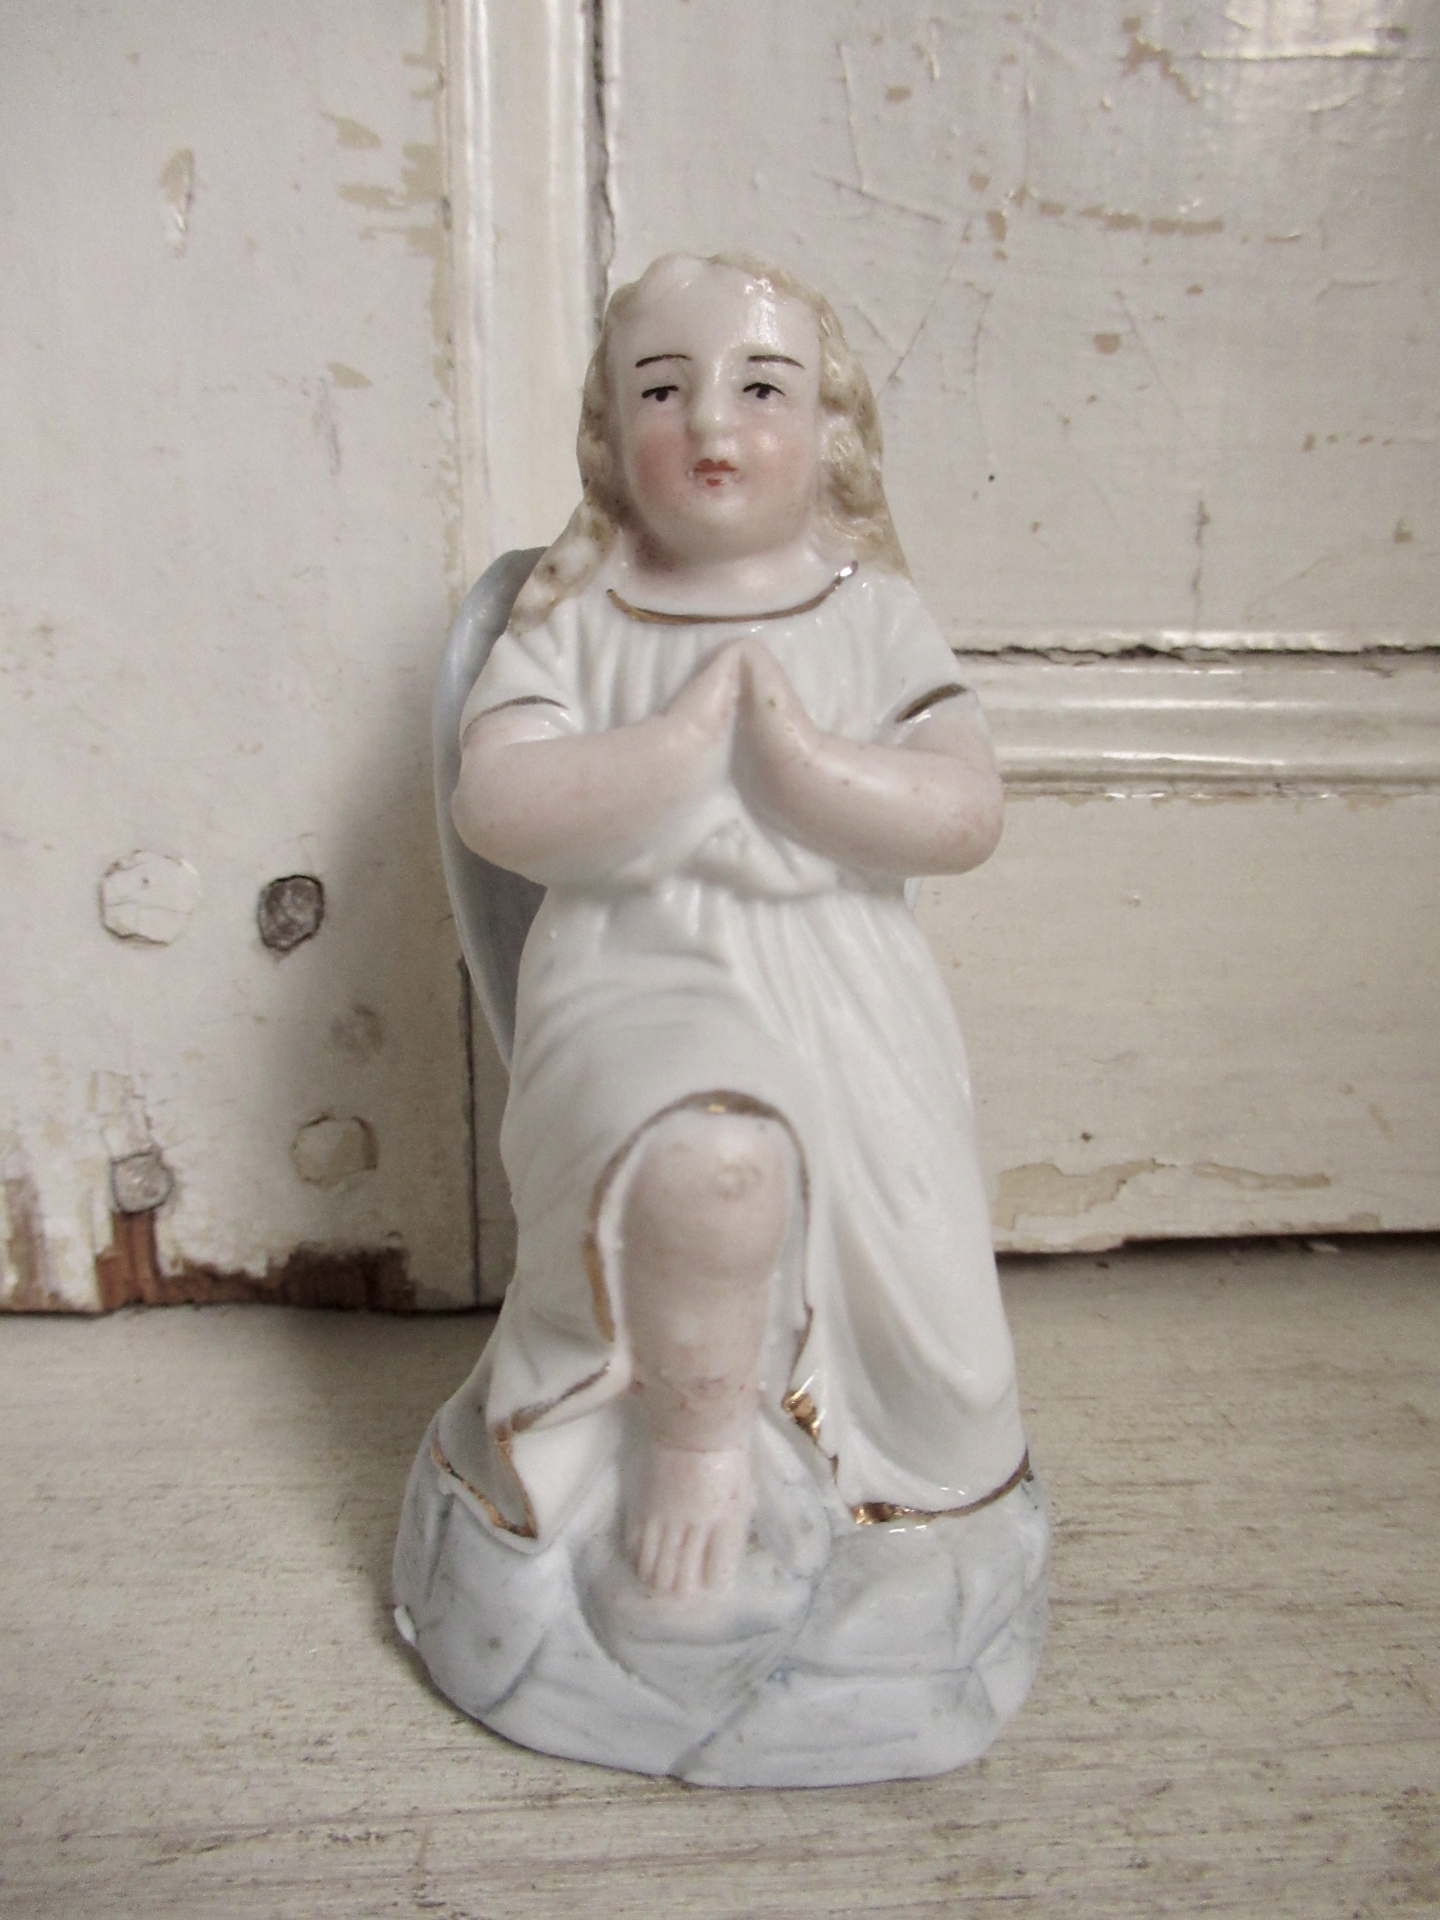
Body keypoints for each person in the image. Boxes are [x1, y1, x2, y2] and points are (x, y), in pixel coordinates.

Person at [437, 252, 1029, 1602]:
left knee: (943, 1363)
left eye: (762, 386)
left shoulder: (872, 618)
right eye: (662, 388)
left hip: (845, 991)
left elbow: (963, 810)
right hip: (638, 974)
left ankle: (876, 1492)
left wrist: (798, 758)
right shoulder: (577, 625)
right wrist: (686, 734)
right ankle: (691, 1442)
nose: (710, 419)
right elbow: (499, 804)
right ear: (608, 431)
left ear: (831, 431)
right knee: (716, 1164)